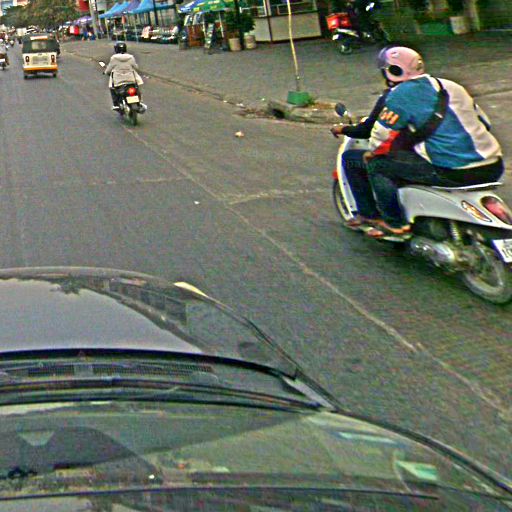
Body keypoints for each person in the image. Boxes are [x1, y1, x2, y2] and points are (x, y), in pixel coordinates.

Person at [352, 46, 503, 238]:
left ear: (392, 71)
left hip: (454, 172)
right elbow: (485, 122)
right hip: (493, 165)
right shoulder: (451, 86)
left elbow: (380, 137)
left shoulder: (399, 95)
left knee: (378, 166)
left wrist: (372, 153)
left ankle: (394, 224)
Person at [330, 46, 400, 229]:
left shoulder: (393, 97)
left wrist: (343, 129)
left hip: (407, 157)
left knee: (352, 159)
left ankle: (370, 215)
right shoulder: (434, 90)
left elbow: (367, 130)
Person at [103, 41, 144, 110]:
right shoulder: (131, 57)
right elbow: (136, 67)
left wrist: (106, 72)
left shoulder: (114, 58)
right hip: (131, 79)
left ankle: (116, 104)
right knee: (137, 88)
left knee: (112, 88)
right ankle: (139, 102)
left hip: (118, 81)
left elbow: (109, 69)